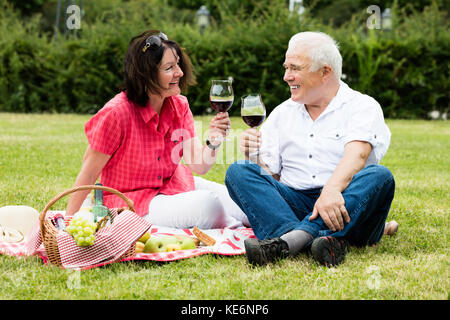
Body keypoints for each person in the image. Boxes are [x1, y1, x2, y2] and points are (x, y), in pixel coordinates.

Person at [225, 31, 396, 267]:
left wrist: (331, 191)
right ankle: (319, 239)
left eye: (295, 68)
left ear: (325, 72)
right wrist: (252, 155)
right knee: (239, 171)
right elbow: (272, 177)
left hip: (348, 202)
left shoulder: (362, 106)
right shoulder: (282, 113)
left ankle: (290, 241)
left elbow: (358, 155)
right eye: (286, 68)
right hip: (296, 201)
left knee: (380, 177)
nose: (286, 77)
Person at [66, 30, 249, 229]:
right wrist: (68, 222)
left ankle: (242, 225)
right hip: (133, 202)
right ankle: (236, 229)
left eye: (177, 64)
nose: (179, 72)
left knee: (246, 203)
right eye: (169, 67)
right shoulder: (116, 113)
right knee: (208, 205)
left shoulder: (179, 105)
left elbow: (199, 166)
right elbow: (88, 174)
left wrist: (214, 140)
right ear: (147, 75)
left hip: (174, 185)